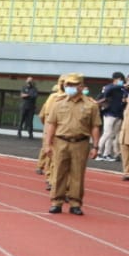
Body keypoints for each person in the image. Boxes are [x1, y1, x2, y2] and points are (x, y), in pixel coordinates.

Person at [42, 72, 102, 215]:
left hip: (81, 142)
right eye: (67, 84)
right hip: (61, 141)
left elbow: (95, 126)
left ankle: (75, 203)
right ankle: (56, 201)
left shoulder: (91, 105)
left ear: (81, 86)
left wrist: (95, 146)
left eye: (73, 84)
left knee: (77, 174)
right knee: (58, 173)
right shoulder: (58, 103)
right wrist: (47, 144)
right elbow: (51, 125)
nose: (69, 87)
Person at [96, 72, 126, 161]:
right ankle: (98, 152)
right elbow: (107, 91)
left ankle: (107, 153)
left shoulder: (122, 89)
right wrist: (122, 86)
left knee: (112, 135)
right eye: (120, 79)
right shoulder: (109, 87)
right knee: (107, 133)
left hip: (118, 114)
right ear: (115, 79)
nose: (122, 81)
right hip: (109, 113)